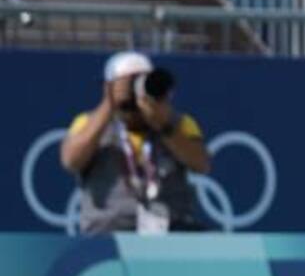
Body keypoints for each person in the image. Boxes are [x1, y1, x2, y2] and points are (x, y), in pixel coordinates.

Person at [58, 51, 211, 234]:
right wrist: (109, 104)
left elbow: (202, 164)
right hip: (108, 234)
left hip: (170, 233)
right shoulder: (88, 123)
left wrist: (163, 125)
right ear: (107, 87)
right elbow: (71, 160)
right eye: (128, 84)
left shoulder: (178, 123)